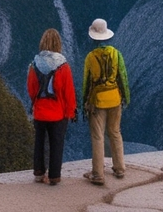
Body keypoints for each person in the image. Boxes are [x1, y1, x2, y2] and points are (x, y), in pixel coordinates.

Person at [81, 18, 130, 186]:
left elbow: (87, 83)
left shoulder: (90, 57)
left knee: (98, 136)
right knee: (115, 132)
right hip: (115, 97)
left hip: (98, 100)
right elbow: (122, 77)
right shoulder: (116, 54)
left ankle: (98, 173)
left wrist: (84, 103)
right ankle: (119, 168)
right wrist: (126, 97)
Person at [27, 28, 76, 185]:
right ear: (58, 44)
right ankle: (54, 176)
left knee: (39, 142)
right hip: (58, 112)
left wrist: (36, 104)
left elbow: (32, 88)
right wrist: (70, 111)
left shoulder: (34, 64)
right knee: (56, 143)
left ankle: (39, 173)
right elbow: (68, 91)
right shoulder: (63, 66)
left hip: (40, 111)